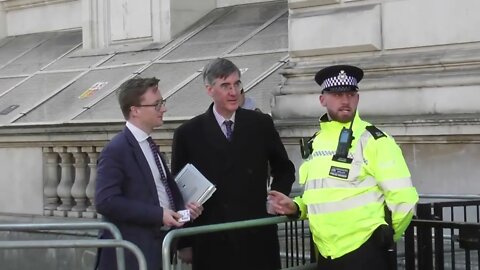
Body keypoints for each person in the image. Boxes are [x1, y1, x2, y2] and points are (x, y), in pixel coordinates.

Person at [268, 65, 419, 270]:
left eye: (350, 94)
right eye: (338, 94)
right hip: (326, 253)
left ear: (357, 98)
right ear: (323, 99)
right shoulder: (316, 143)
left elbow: (404, 198)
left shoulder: (374, 140)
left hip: (365, 253)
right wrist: (296, 207)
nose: (345, 101)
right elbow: (320, 195)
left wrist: (385, 235)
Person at [171, 58, 296, 270]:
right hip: (211, 239)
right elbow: (178, 191)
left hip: (256, 235)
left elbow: (284, 169)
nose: (233, 92)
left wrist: (275, 199)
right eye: (225, 86)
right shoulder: (187, 133)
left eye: (237, 84)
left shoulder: (260, 124)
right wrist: (184, 241)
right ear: (209, 90)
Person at [95, 77, 203, 270]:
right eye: (157, 104)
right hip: (131, 257)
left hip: (154, 251)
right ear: (135, 110)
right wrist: (158, 214)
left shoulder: (149, 145)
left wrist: (185, 211)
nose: (164, 109)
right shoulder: (117, 149)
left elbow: (157, 196)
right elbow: (105, 201)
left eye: (163, 102)